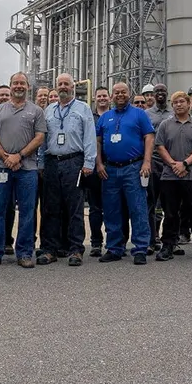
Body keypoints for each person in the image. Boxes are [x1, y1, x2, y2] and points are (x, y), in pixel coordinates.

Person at [0, 72, 47, 268]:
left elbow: (39, 137)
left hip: (27, 169)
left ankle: (25, 253)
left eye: (22, 83)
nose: (18, 86)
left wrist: (19, 156)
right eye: (15, 83)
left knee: (27, 211)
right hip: (2, 168)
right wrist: (6, 157)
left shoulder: (36, 111)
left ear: (27, 87)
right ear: (10, 86)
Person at [38, 73, 97, 266]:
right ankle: (49, 249)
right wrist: (41, 163)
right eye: (60, 84)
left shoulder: (83, 108)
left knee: (74, 208)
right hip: (52, 161)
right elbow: (43, 139)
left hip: (74, 161)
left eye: (66, 84)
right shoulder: (49, 110)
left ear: (73, 87)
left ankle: (75, 249)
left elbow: (89, 136)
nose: (63, 87)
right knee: (50, 207)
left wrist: (89, 163)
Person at [95, 82, 154, 265]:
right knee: (111, 210)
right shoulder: (105, 117)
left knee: (138, 208)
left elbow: (149, 137)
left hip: (133, 168)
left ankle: (140, 248)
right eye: (116, 92)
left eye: (123, 92)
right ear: (112, 96)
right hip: (110, 169)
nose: (120, 95)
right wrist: (99, 163)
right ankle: (114, 248)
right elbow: (97, 141)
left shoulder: (139, 114)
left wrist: (146, 162)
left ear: (129, 94)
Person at [154, 91, 192, 261]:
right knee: (170, 213)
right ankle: (168, 246)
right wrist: (173, 164)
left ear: (188, 103)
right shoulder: (165, 125)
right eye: (175, 102)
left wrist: (184, 164)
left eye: (181, 102)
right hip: (169, 177)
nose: (178, 105)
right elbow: (160, 146)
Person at [83, 85, 112, 257]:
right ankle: (95, 243)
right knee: (95, 208)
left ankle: (114, 242)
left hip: (113, 167)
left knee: (112, 207)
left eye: (104, 96)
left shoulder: (115, 115)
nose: (102, 98)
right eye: (99, 96)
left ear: (109, 98)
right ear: (95, 98)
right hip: (93, 167)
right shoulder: (89, 117)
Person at [145, 83, 173, 252]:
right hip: (153, 161)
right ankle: (151, 239)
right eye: (157, 92)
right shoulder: (146, 114)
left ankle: (170, 240)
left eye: (163, 90)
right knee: (151, 202)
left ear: (166, 93)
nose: (160, 94)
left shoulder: (173, 113)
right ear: (153, 95)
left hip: (170, 163)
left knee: (171, 204)